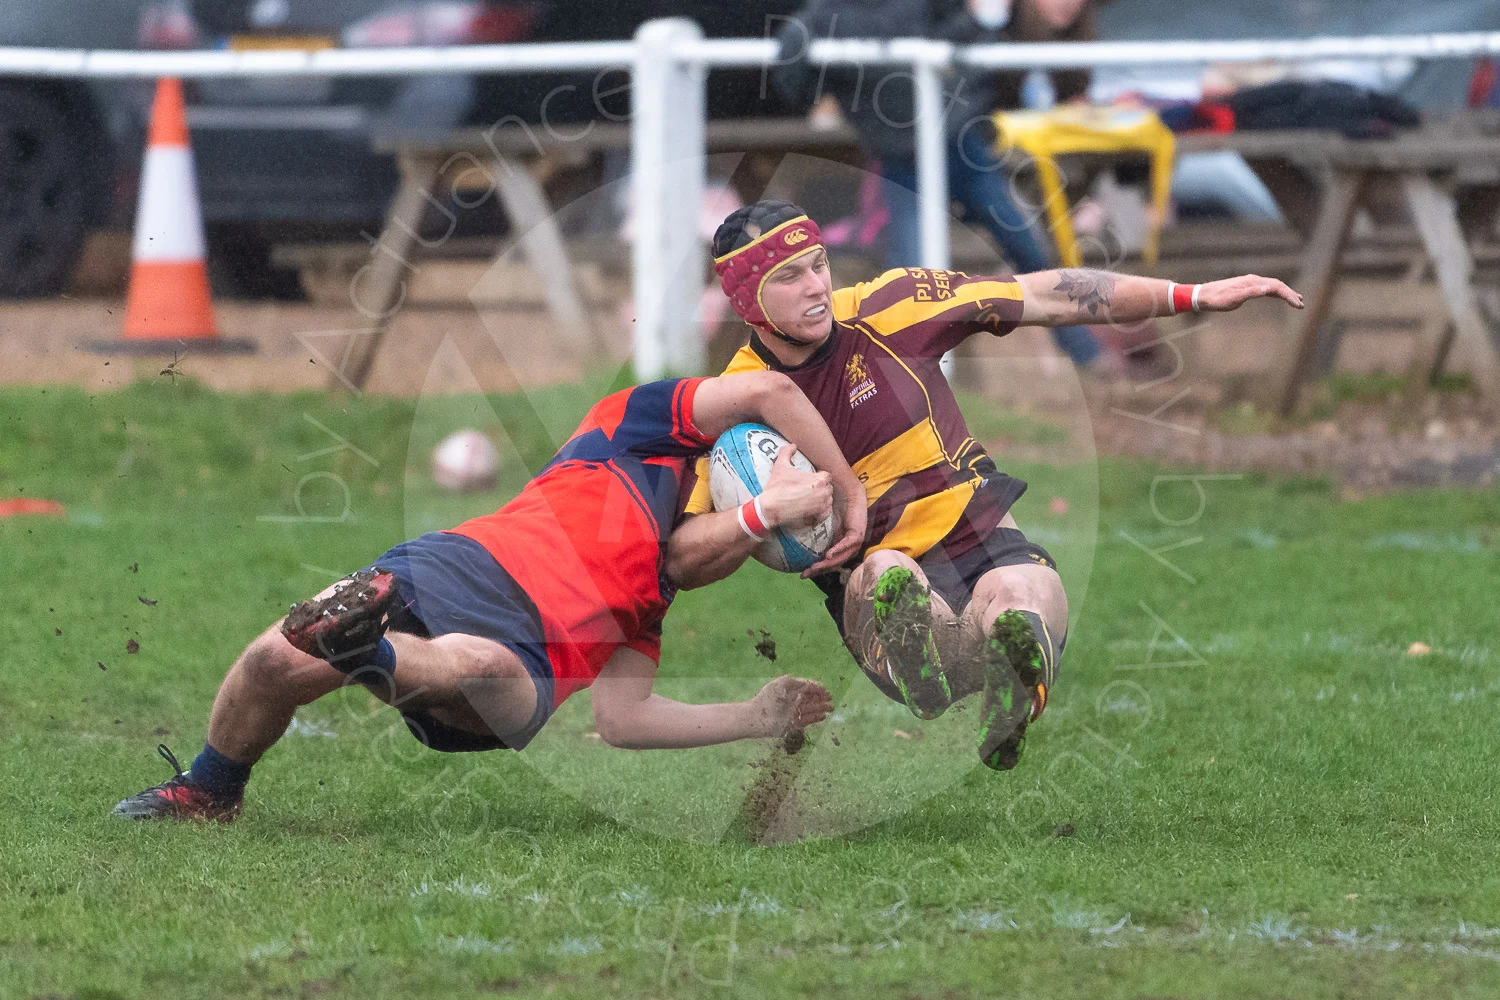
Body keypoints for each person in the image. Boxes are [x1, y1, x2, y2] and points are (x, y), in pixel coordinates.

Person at [668, 200, 1303, 771]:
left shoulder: (891, 306)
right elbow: (684, 558)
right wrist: (760, 514)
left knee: (1017, 596)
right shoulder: (732, 407)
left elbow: (1045, 294)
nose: (815, 287)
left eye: (818, 265)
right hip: (870, 572)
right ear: (747, 301)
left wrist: (1191, 295)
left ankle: (1012, 677)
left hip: (980, 531)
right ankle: (925, 654)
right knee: (888, 574)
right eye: (789, 277)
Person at [114, 372, 867, 821]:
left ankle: (363, 646)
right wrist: (840, 488)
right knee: (272, 662)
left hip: (523, 667)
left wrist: (756, 716)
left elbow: (624, 720)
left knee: (476, 664)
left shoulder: (648, 598)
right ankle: (208, 790)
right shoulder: (631, 431)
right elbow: (771, 389)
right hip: (455, 561)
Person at [772, 0, 1106, 369]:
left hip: (963, 148)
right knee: (911, 277)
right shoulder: (822, 17)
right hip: (902, 162)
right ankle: (915, 375)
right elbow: (795, 85)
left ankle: (1089, 355)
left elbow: (974, 41)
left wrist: (953, 69)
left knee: (1028, 249)